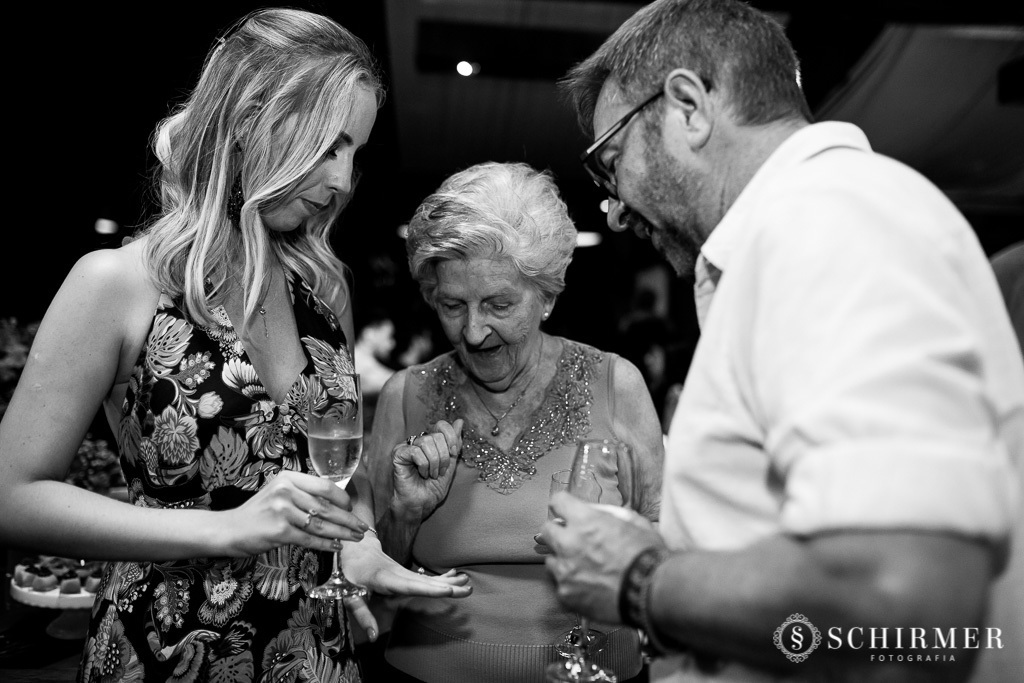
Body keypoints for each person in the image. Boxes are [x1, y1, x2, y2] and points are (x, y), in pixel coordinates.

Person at [541, 1, 1024, 682]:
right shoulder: (798, 231)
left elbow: (904, 606)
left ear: (687, 107)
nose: (615, 211)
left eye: (611, 161)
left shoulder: (827, 224)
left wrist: (641, 578)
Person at [0, 8, 470, 682]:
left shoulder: (322, 294)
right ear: (252, 118)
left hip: (316, 653)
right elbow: (12, 494)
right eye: (329, 144)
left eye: (354, 154)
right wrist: (221, 528)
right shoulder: (119, 284)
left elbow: (315, 488)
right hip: (165, 651)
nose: (342, 180)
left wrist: (366, 530)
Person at [359, 161, 665, 682]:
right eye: (453, 305)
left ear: (547, 295)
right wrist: (406, 516)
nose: (474, 331)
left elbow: (665, 549)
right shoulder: (404, 397)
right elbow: (372, 576)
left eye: (499, 304)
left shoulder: (618, 385)